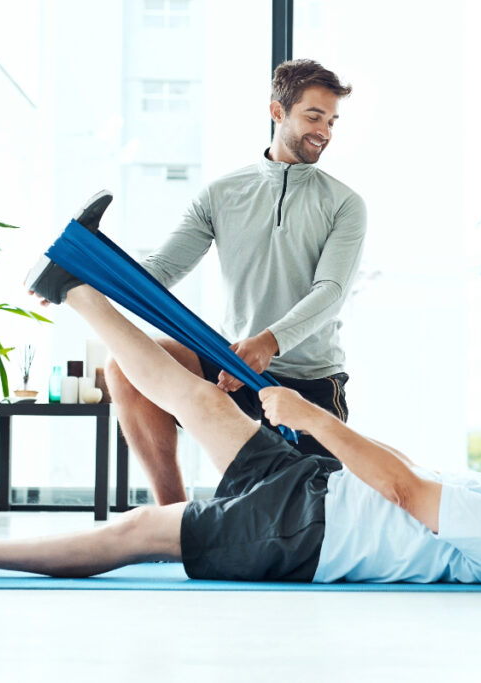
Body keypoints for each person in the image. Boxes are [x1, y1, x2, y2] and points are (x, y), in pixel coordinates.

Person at [0, 249, 481, 583]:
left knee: (138, 530)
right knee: (196, 397)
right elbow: (406, 469)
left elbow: (408, 495)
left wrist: (314, 417)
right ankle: (72, 287)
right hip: (315, 487)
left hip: (307, 532)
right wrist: (319, 436)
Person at [107, 58, 365, 506]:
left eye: (331, 120)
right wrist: (83, 276)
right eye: (313, 116)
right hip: (234, 371)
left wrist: (270, 341)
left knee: (310, 513)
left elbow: (330, 292)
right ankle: (173, 512)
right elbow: (163, 270)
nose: (324, 130)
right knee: (124, 366)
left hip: (309, 382)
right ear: (277, 112)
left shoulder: (344, 204)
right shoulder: (221, 194)